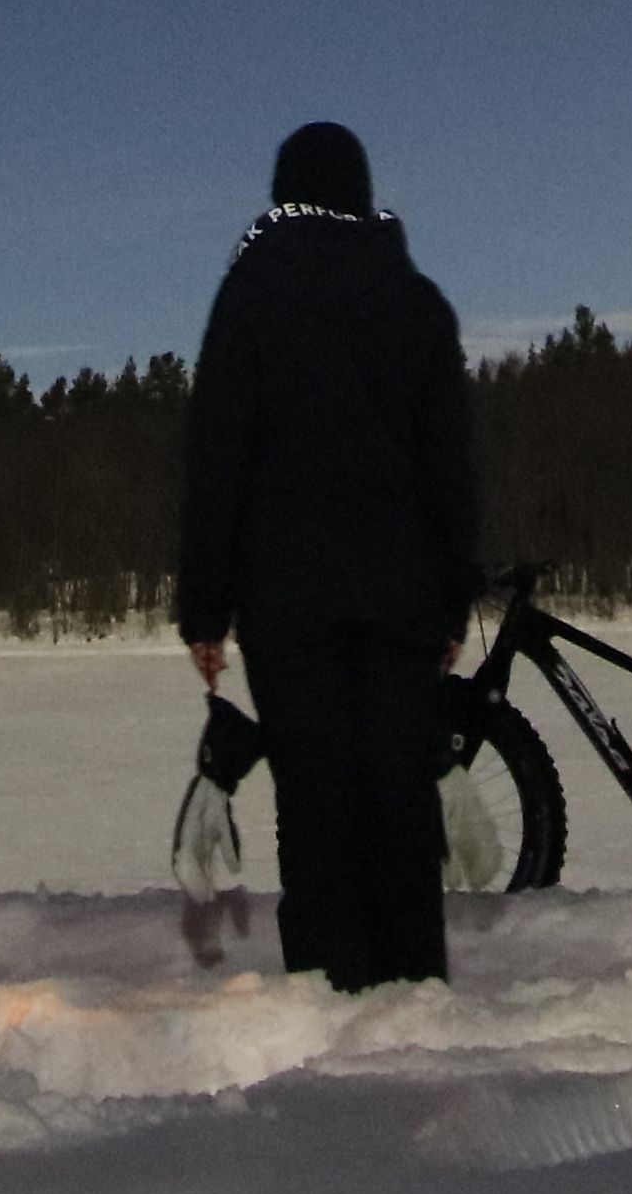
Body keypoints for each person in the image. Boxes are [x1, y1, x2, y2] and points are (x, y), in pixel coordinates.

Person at [172, 122, 481, 990]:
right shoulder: (416, 301)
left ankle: (331, 992)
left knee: (313, 802)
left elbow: (216, 458)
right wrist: (453, 598)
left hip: (286, 598)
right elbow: (448, 466)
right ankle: (414, 986)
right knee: (399, 795)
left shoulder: (249, 295)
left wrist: (206, 607)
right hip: (399, 593)